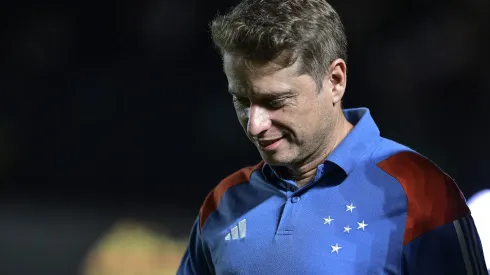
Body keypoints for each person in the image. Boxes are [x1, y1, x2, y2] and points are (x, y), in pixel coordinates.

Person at [177, 0, 488, 274]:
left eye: (275, 102)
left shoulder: (421, 192)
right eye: (242, 102)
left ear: (335, 81)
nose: (255, 124)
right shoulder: (224, 201)